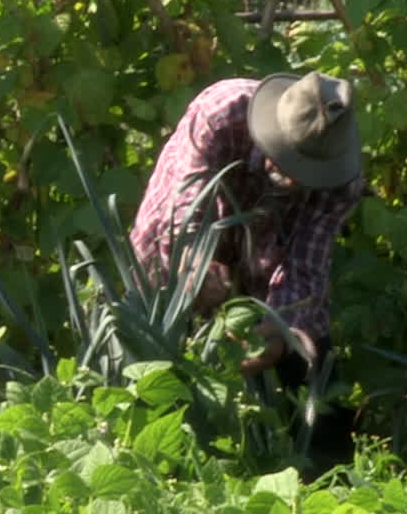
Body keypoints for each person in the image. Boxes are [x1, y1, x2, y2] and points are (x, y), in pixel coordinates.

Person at [129, 71, 364, 385]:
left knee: (312, 376)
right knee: (157, 372)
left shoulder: (342, 179)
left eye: (307, 171)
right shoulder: (223, 113)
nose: (294, 179)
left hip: (268, 261)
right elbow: (183, 210)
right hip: (177, 251)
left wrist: (281, 330)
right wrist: (195, 266)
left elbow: (305, 266)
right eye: (288, 159)